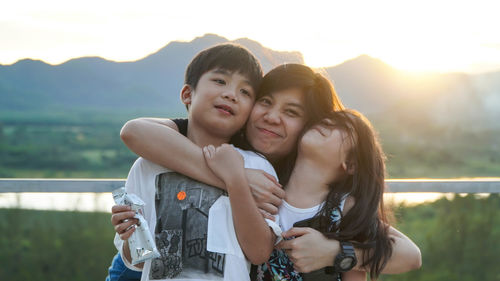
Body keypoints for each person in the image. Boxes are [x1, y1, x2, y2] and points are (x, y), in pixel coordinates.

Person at [116, 63, 421, 279]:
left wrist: (332, 252)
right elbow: (136, 132)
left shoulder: (308, 187)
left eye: (291, 112)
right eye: (265, 102)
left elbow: (407, 254)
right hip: (147, 267)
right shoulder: (224, 142)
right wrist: (237, 178)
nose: (271, 117)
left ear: (310, 126)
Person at [108, 43, 283, 281]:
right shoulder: (148, 165)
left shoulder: (256, 168)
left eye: (245, 92)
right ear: (187, 94)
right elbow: (138, 260)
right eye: (220, 81)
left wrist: (237, 179)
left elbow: (259, 252)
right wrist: (129, 235)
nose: (231, 94)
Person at [203, 109, 405, 280]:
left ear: (350, 164)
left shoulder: (343, 209)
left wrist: (332, 252)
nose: (328, 122)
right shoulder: (263, 188)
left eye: (344, 127)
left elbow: (410, 256)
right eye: (329, 119)